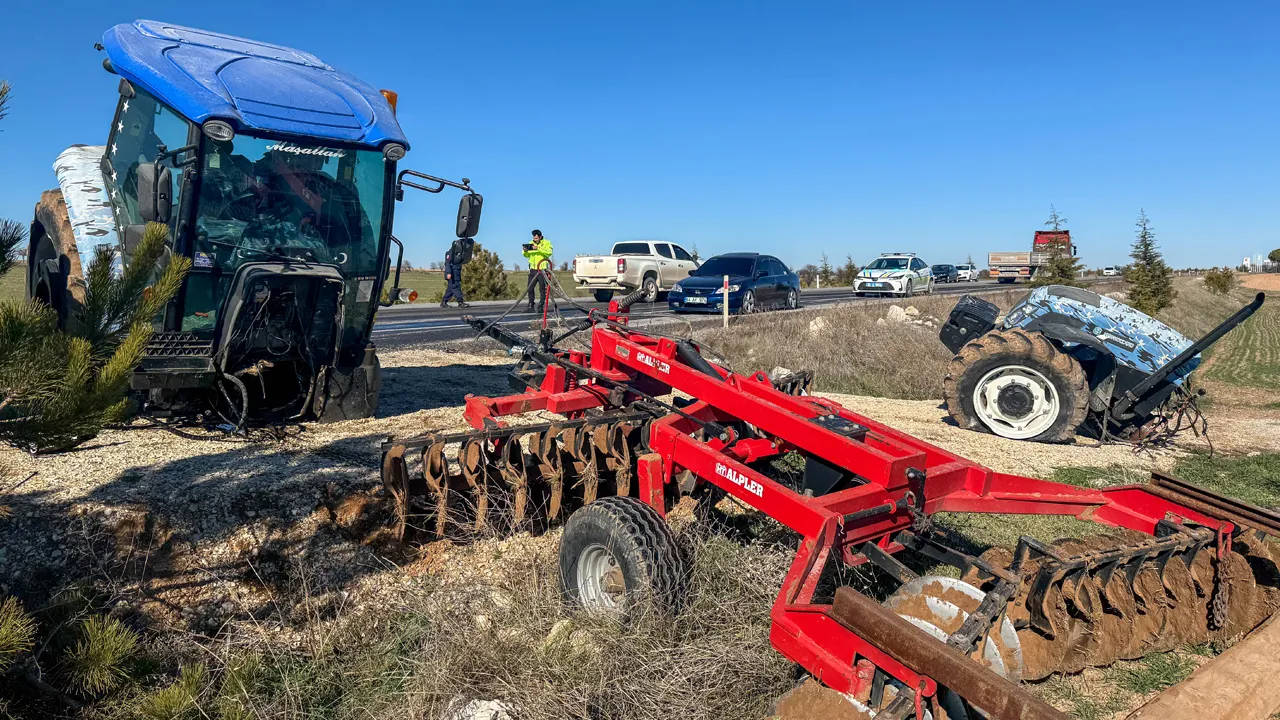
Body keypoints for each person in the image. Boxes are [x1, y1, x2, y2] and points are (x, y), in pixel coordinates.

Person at [522, 229, 553, 312]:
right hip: (533, 270)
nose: (534, 239)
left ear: (540, 237)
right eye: (534, 238)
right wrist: (525, 251)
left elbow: (549, 252)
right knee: (530, 288)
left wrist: (538, 248)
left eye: (536, 238)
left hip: (542, 270)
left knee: (542, 289)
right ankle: (531, 306)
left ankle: (541, 306)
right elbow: (526, 255)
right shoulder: (530, 243)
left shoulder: (546, 243)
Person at [441, 240, 468, 308]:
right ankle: (460, 302)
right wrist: (449, 273)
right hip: (452, 273)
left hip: (456, 273)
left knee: (450, 289)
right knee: (456, 287)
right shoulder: (450, 253)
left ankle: (444, 302)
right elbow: (448, 263)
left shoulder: (459, 254)